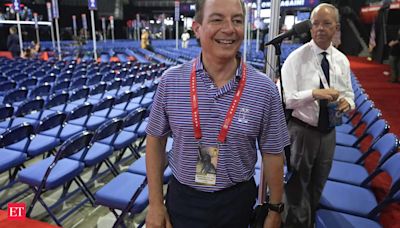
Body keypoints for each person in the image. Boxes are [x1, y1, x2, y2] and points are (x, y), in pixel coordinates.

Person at [145, 0, 290, 228]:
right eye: (217, 19)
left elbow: (273, 153)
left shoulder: (264, 89)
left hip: (237, 202)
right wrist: (155, 204)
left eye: (237, 20)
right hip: (183, 200)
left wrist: (275, 208)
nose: (229, 29)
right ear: (197, 28)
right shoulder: (171, 82)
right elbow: (155, 140)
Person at [281, 3, 355, 228]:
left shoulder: (341, 60)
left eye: (326, 24)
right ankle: (296, 224)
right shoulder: (296, 58)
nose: (320, 28)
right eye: (315, 24)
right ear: (310, 28)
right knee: (297, 186)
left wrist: (346, 103)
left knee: (318, 183)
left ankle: (310, 220)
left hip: (329, 133)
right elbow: (288, 98)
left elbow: (349, 94)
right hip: (302, 130)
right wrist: (314, 93)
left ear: (336, 27)